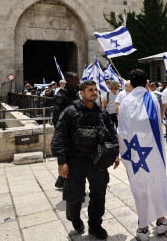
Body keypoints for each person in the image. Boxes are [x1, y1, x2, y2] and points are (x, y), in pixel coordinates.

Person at [50, 80, 119, 240]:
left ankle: (95, 225)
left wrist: (115, 152)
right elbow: (59, 137)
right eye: (90, 90)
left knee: (99, 194)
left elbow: (112, 133)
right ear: (82, 93)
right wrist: (61, 161)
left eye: (95, 90)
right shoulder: (70, 112)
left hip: (97, 161)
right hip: (75, 160)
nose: (94, 93)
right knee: (74, 196)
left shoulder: (102, 112)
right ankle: (74, 217)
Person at [117, 69, 167, 241]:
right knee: (156, 182)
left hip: (134, 152)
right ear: (147, 83)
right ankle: (161, 221)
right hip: (152, 150)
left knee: (139, 187)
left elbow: (123, 129)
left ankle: (142, 228)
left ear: (131, 84)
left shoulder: (125, 102)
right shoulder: (153, 98)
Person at [52, 72, 80, 189]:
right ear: (68, 80)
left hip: (76, 130)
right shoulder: (61, 95)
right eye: (75, 79)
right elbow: (57, 118)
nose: (77, 81)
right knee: (67, 159)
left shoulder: (77, 93)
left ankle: (61, 180)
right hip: (66, 131)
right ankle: (70, 186)